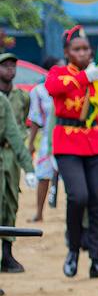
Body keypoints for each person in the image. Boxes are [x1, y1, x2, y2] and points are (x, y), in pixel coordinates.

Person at [45, 27, 98, 279]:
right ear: (67, 52)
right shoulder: (60, 73)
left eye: (86, 49)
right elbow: (53, 88)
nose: (83, 53)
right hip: (67, 142)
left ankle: (97, 259)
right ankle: (73, 249)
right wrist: (86, 77)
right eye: (77, 49)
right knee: (78, 196)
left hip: (94, 142)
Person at [0, 52, 38, 273]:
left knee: (10, 201)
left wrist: (28, 166)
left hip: (11, 154)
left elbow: (17, 132)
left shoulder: (19, 97)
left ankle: (7, 254)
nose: (10, 70)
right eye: (5, 66)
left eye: (12, 66)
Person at [26, 57, 59, 223]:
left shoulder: (68, 85)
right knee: (43, 175)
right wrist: (31, 143)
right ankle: (39, 212)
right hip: (47, 138)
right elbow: (35, 119)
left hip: (67, 135)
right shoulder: (38, 91)